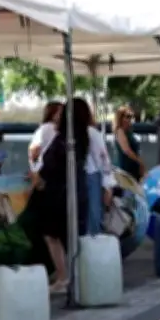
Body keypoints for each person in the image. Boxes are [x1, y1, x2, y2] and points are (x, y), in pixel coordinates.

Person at [24, 99, 91, 293]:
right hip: (73, 191)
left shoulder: (64, 140)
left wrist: (39, 178)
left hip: (56, 194)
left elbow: (53, 167)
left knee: (52, 235)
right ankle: (69, 275)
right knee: (67, 235)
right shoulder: (82, 138)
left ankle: (63, 276)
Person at [86, 103, 117, 234]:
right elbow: (104, 160)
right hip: (91, 176)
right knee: (93, 215)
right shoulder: (92, 133)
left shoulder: (90, 133)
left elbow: (103, 161)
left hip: (86, 176)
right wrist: (108, 185)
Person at [28, 101, 62, 172]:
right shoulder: (49, 128)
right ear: (52, 114)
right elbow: (34, 150)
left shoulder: (45, 127)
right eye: (60, 112)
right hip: (46, 169)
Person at [114, 106, 145, 181]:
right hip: (126, 171)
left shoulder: (129, 132)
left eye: (131, 116)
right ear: (120, 118)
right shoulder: (120, 131)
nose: (130, 119)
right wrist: (140, 162)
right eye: (127, 116)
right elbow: (126, 150)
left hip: (133, 169)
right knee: (128, 192)